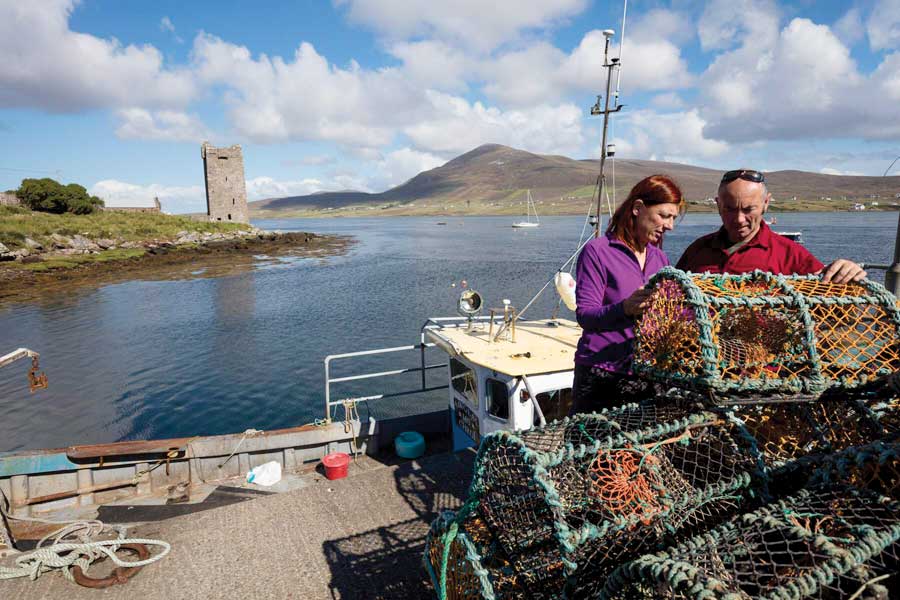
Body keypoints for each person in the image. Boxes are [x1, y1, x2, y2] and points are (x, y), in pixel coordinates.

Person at [571, 174, 685, 414]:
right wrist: (624, 309)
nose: (670, 225)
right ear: (637, 208)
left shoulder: (659, 258)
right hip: (600, 375)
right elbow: (586, 316)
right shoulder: (598, 251)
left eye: (673, 218)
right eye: (664, 216)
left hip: (647, 374)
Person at [677, 169, 866, 283]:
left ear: (766, 203)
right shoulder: (697, 250)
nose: (739, 219)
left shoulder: (791, 255)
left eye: (748, 209)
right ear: (718, 205)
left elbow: (836, 309)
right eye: (730, 209)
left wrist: (846, 273)